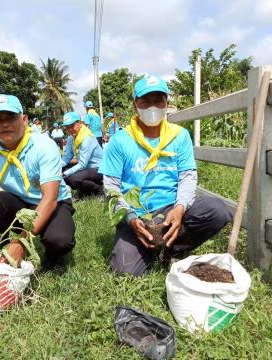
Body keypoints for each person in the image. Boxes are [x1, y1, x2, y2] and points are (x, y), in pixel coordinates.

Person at [99, 75, 232, 276]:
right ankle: (148, 246)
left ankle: (171, 249)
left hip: (171, 207)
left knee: (217, 211)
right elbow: (110, 187)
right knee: (124, 272)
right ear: (136, 104)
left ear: (166, 103)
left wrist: (180, 208)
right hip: (136, 213)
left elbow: (187, 176)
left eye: (158, 100)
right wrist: (130, 217)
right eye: (146, 101)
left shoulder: (179, 136)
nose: (152, 107)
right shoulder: (120, 141)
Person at [0, 94, 76, 266]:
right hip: (21, 204)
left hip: (54, 203)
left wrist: (21, 241)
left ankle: (49, 258)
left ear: (24, 120)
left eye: (11, 118)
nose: (5, 124)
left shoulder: (43, 146)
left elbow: (50, 198)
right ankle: (1, 254)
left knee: (59, 240)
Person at [60, 112, 104, 198]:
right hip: (86, 168)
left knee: (73, 178)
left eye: (72, 126)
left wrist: (66, 173)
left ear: (80, 123)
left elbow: (83, 164)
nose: (69, 129)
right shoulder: (71, 137)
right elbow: (67, 156)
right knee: (60, 170)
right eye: (67, 127)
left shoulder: (87, 138)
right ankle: (84, 191)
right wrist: (55, 167)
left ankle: (99, 190)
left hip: (97, 169)